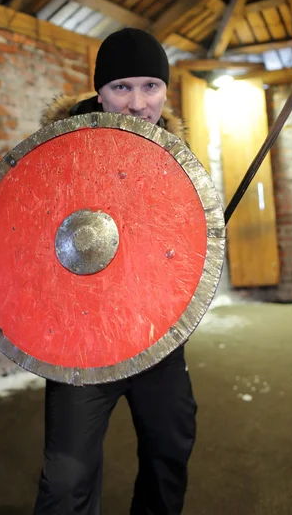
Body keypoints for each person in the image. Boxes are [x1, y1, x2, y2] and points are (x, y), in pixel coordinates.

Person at [34, 28, 197, 515]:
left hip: (153, 332)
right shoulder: (55, 156)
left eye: (151, 86)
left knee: (172, 445)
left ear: (166, 91)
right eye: (121, 87)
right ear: (99, 91)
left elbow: (183, 250)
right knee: (66, 478)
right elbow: (28, 247)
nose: (137, 102)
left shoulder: (177, 159)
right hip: (80, 334)